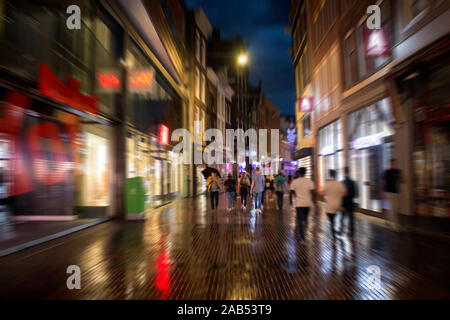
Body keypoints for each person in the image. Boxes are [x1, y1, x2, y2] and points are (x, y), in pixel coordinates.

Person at [290, 167, 317, 241]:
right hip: (307, 204)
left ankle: (302, 237)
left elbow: (291, 192)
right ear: (305, 173)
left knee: (300, 220)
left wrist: (291, 201)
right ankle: (305, 232)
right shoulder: (309, 181)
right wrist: (314, 202)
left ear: (299, 173)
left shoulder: (295, 182)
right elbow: (313, 193)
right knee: (305, 219)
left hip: (299, 204)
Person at [323, 169, 347, 240]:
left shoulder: (326, 184)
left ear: (329, 175)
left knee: (332, 222)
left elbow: (323, 194)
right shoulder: (340, 184)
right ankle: (339, 229)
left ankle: (333, 238)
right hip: (338, 205)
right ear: (336, 175)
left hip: (329, 206)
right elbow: (344, 194)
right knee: (340, 217)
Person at [382, 159, 403, 232]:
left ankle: (387, 220)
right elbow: (384, 182)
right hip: (389, 192)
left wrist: (400, 179)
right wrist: (383, 193)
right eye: (392, 163)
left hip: (396, 192)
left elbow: (401, 181)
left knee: (396, 208)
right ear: (390, 164)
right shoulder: (387, 172)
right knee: (394, 209)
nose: (393, 164)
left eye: (394, 163)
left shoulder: (398, 171)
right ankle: (396, 226)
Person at [340, 167, 357, 237]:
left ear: (344, 173)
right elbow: (355, 194)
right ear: (349, 172)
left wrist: (342, 204)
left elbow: (341, 194)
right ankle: (352, 233)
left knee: (342, 218)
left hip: (344, 203)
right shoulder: (353, 182)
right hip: (350, 202)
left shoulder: (342, 182)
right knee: (351, 219)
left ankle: (342, 231)